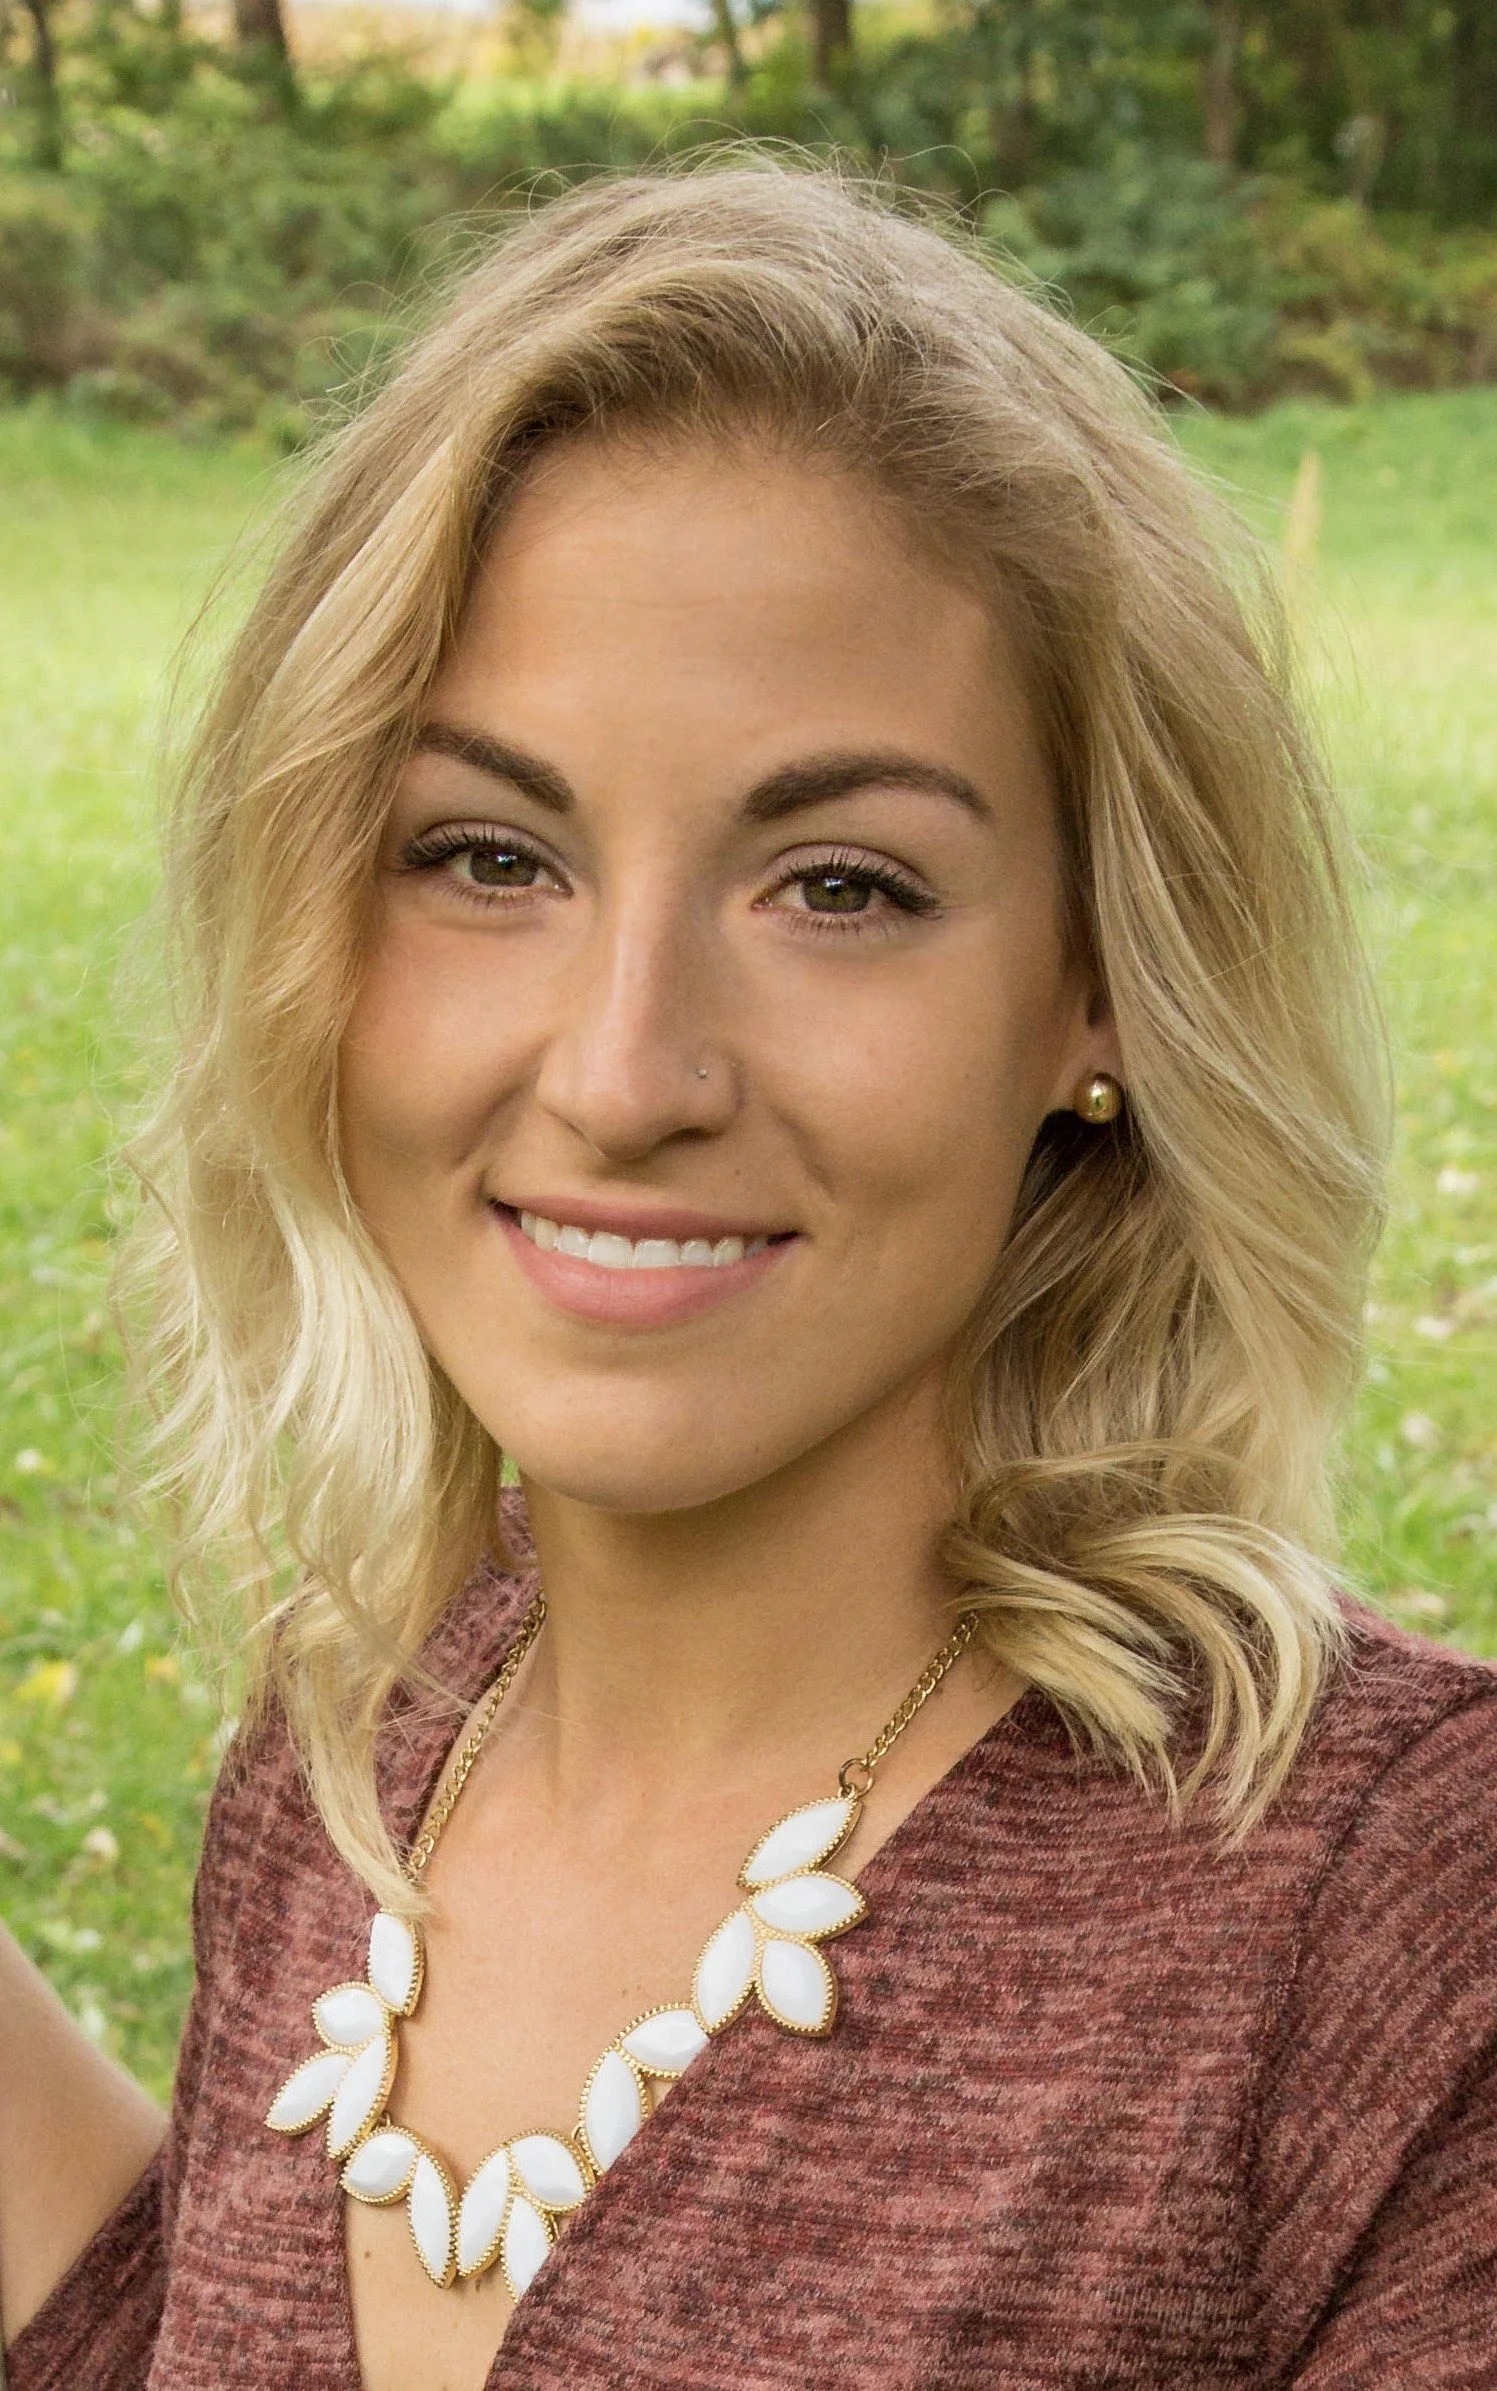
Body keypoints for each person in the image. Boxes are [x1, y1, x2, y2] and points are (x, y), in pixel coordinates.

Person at [1, 160, 1493, 2391]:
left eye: (842, 887)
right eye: (485, 856)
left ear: (1102, 986)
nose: (622, 1073)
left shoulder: (1391, 1928)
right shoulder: (362, 1750)